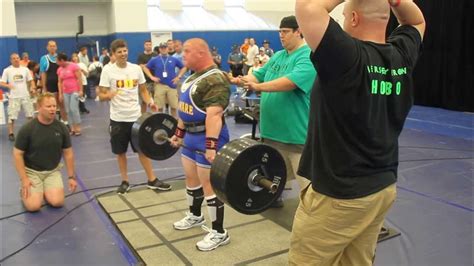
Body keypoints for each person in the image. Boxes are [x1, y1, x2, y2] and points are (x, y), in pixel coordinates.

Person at [290, 0, 425, 264]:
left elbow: (307, 6)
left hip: (340, 195)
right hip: (381, 188)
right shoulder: (399, 55)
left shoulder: (346, 56)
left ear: (353, 18)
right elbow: (416, 21)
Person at [231, 15, 316, 207]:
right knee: (274, 175)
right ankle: (274, 199)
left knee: (307, 185)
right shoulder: (278, 56)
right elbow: (258, 76)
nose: (281, 36)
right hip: (271, 133)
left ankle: (315, 219)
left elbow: (290, 83)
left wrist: (258, 87)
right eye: (280, 32)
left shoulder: (308, 56)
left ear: (298, 32)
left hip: (296, 136)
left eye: (285, 32)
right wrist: (242, 79)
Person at [170, 38, 231, 251]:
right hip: (190, 137)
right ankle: (195, 216)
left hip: (209, 137)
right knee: (191, 177)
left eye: (187, 51)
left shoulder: (215, 79)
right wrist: (178, 134)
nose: (182, 55)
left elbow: (214, 115)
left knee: (209, 185)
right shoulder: (191, 77)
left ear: (201, 53)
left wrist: (211, 147)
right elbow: (183, 108)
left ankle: (219, 232)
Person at [98, 39, 171, 194]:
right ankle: (125, 181)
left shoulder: (136, 69)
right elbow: (101, 93)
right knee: (120, 152)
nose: (123, 54)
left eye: (125, 51)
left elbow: (143, 90)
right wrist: (108, 95)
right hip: (118, 118)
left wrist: (150, 102)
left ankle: (152, 179)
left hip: (136, 117)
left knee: (142, 150)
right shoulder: (107, 71)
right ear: (114, 54)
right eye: (119, 52)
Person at [13, 92, 78, 212]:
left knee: (57, 202)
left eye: (54, 106)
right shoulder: (28, 129)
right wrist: (24, 179)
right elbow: (17, 154)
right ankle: (28, 191)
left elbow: (68, 153)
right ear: (39, 108)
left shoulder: (62, 128)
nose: (52, 109)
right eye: (48, 106)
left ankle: (43, 191)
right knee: (33, 206)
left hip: (52, 171)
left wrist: (71, 177)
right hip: (32, 172)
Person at [143, 42, 186, 118]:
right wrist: (151, 77)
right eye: (162, 48)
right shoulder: (155, 59)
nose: (163, 49)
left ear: (167, 49)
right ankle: (160, 122)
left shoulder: (173, 59)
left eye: (165, 47)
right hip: (160, 85)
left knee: (174, 107)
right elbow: (145, 67)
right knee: (159, 107)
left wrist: (178, 77)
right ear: (159, 49)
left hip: (172, 85)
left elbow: (184, 67)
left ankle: (174, 123)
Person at [0, 53, 36, 141]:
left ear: (19, 59)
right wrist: (8, 86)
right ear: (11, 60)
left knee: (30, 115)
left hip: (25, 95)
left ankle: (31, 132)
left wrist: (32, 87)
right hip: (14, 97)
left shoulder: (25, 69)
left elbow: (31, 80)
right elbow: (2, 82)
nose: (16, 60)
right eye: (14, 58)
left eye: (17, 58)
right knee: (12, 116)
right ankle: (11, 133)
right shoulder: (7, 70)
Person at [40, 40, 68, 124]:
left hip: (61, 84)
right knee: (51, 106)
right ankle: (52, 123)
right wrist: (44, 87)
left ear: (56, 47)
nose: (52, 47)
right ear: (47, 47)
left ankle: (65, 123)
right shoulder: (44, 58)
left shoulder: (60, 57)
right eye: (50, 46)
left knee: (62, 105)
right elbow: (43, 73)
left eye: (54, 46)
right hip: (50, 85)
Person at [57, 53, 83, 135]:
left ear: (62, 60)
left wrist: (81, 90)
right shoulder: (60, 69)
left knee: (74, 109)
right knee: (67, 110)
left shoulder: (74, 66)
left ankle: (77, 127)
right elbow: (59, 82)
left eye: (57, 61)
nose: (56, 62)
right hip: (65, 92)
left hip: (74, 91)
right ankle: (72, 128)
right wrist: (60, 94)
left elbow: (79, 78)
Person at [137, 39, 156, 113]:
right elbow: (140, 66)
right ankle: (143, 117)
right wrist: (150, 64)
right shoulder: (141, 56)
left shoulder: (155, 55)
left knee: (155, 101)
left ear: (151, 45)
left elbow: (157, 65)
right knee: (144, 101)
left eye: (150, 44)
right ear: (144, 46)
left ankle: (155, 116)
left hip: (154, 81)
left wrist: (145, 65)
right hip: (145, 81)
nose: (148, 46)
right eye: (146, 45)